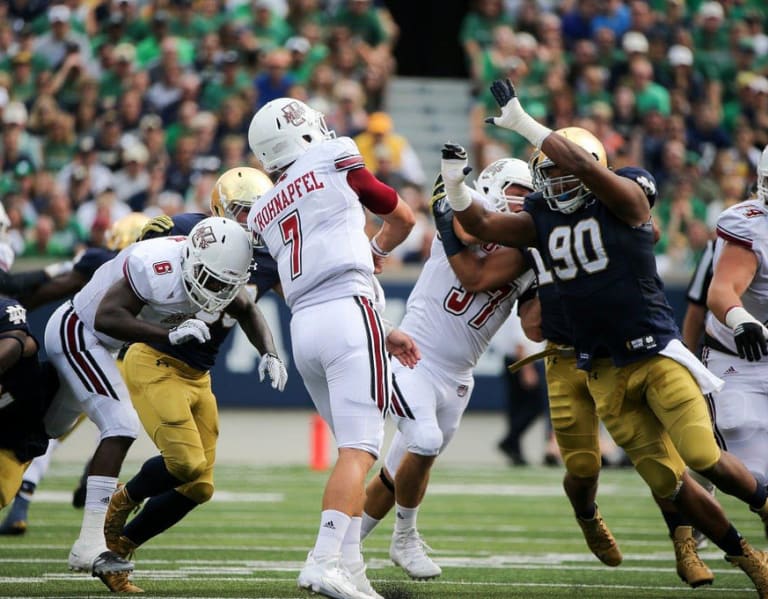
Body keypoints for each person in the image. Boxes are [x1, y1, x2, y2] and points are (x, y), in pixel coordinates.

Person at [439, 77, 768, 595]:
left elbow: (592, 171)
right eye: (548, 175)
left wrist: (526, 124)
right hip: (598, 367)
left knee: (703, 457)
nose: (556, 183)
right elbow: (481, 224)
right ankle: (742, 552)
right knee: (664, 478)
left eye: (562, 172)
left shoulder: (626, 198)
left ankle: (756, 516)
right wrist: (454, 188)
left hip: (654, 352)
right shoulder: (541, 217)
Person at [246, 97, 419, 599]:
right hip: (348, 310)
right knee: (360, 449)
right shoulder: (334, 154)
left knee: (351, 445)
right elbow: (402, 217)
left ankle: (352, 567)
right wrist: (376, 249)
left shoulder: (262, 208)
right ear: (303, 133)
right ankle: (323, 559)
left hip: (305, 327)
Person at [42, 217, 255, 592]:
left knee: (39, 432)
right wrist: (168, 334)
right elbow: (106, 317)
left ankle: (99, 537)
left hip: (100, 345)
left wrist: (270, 354)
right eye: (211, 277)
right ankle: (89, 543)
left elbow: (245, 306)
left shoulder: (216, 261)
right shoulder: (156, 266)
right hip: (79, 331)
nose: (215, 288)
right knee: (121, 424)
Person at [102, 167, 288, 593]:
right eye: (242, 211)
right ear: (220, 208)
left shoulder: (268, 258)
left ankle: (120, 547)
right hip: (155, 358)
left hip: (198, 374)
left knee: (199, 486)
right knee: (184, 463)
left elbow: (246, 308)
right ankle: (119, 502)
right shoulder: (185, 231)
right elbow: (135, 273)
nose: (250, 221)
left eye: (257, 212)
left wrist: (271, 353)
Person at [361, 159, 535, 580]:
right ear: (492, 186)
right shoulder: (471, 204)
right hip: (414, 358)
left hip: (459, 377)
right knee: (423, 439)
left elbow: (534, 324)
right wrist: (458, 188)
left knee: (395, 474)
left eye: (527, 193)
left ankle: (336, 547)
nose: (522, 200)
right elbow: (466, 227)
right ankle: (405, 538)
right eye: (515, 189)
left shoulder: (528, 248)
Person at [0, 213, 150, 536]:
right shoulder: (151, 273)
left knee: (50, 431)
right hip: (125, 362)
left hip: (90, 356)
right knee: (114, 427)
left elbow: (51, 291)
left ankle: (22, 506)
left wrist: (15, 306)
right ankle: (92, 479)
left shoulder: (102, 259)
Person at [704, 144, 768, 537]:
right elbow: (721, 290)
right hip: (739, 356)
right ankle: (697, 492)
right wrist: (742, 320)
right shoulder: (751, 227)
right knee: (743, 441)